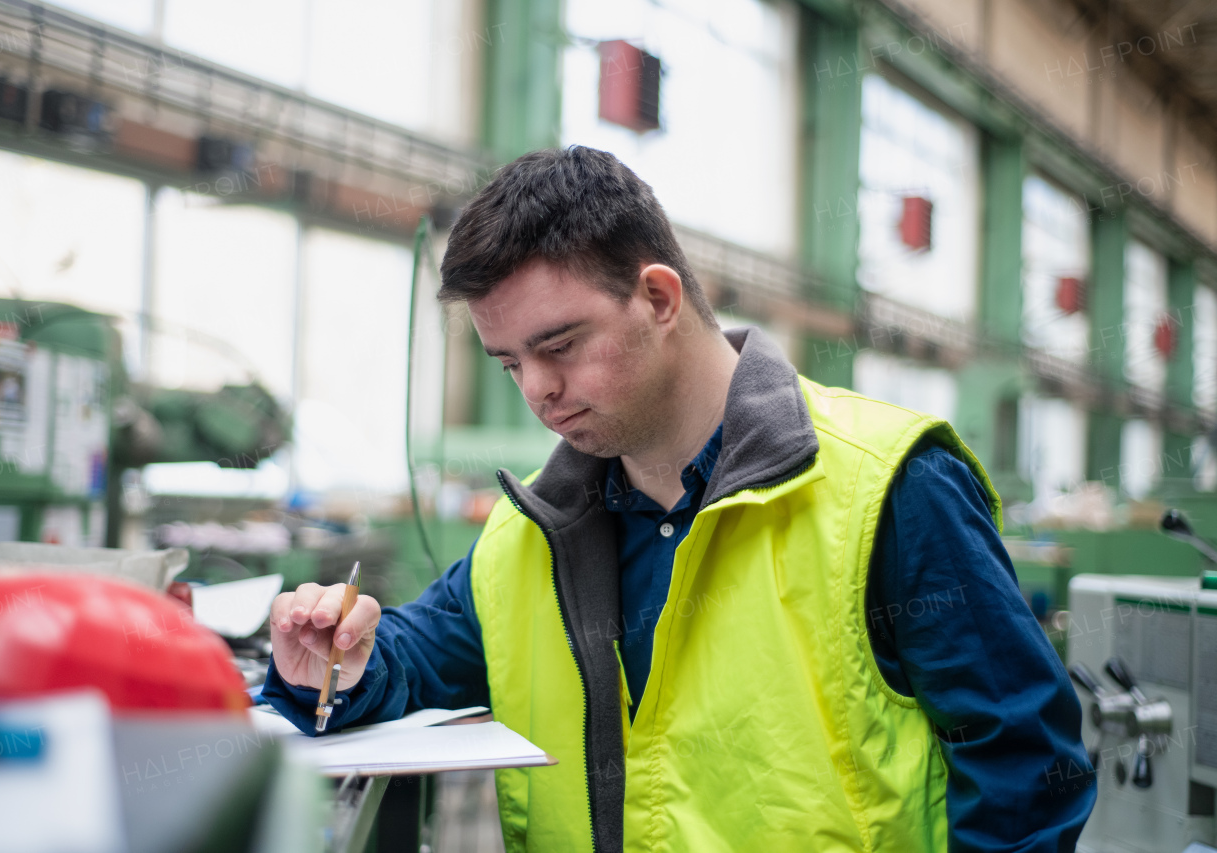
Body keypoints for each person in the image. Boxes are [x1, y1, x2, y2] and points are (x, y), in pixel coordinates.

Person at [264, 146, 1095, 851]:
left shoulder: (888, 485)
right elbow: (414, 655)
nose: (539, 392)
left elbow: (1025, 766)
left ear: (659, 299)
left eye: (559, 346)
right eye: (511, 363)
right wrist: (339, 659)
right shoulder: (536, 534)